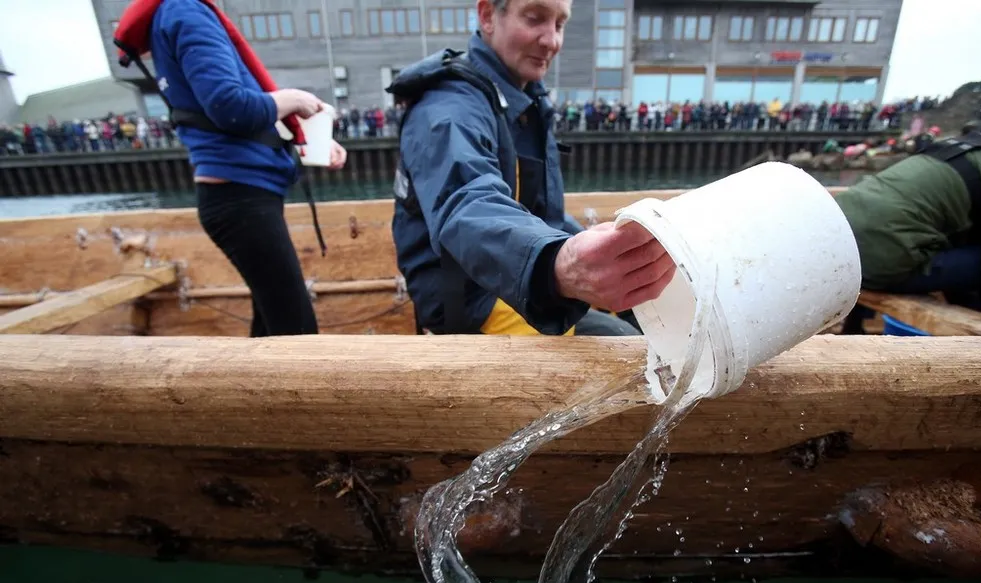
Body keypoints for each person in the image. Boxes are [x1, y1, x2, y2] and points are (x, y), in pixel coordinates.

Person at [387, 0, 675, 337]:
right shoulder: (448, 109)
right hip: (468, 300)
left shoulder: (523, 100)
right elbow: (467, 204)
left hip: (510, 270)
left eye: (560, 24)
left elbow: (538, 213)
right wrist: (557, 261)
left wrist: (587, 247)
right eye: (535, 18)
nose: (551, 40)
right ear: (487, 15)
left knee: (642, 315)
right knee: (629, 345)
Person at [114, 0, 347, 337]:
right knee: (296, 331)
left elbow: (223, 112)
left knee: (272, 320)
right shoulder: (187, 11)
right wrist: (295, 98)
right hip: (240, 198)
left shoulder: (175, 13)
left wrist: (308, 140)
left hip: (238, 197)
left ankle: (253, 387)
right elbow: (231, 107)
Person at [838, 130, 981, 332]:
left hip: (839, 249)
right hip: (875, 266)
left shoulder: (973, 147)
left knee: (889, 236)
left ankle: (853, 329)